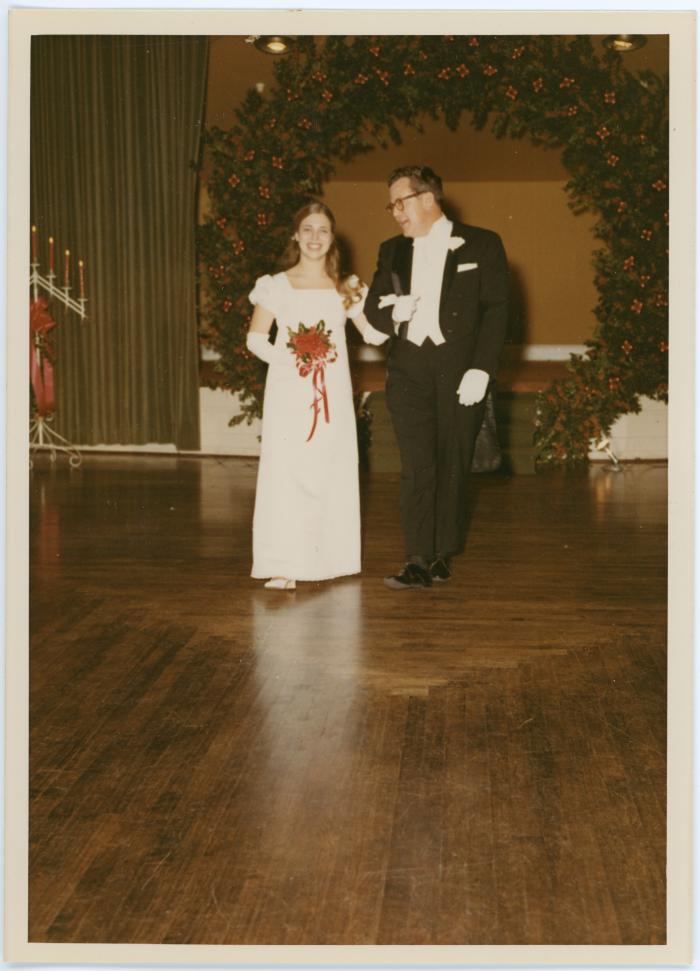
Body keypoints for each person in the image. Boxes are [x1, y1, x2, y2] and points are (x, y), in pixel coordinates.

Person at [363, 165, 509, 590]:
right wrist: (393, 312)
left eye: (400, 202)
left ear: (427, 199)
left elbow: (498, 309)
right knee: (416, 465)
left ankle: (443, 553)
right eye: (391, 205)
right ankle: (416, 558)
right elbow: (373, 309)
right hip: (408, 370)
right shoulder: (391, 250)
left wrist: (482, 369)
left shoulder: (483, 243)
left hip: (461, 371)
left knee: (452, 463)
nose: (395, 213)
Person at [246, 202, 387, 590]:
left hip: (334, 393)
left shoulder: (347, 285)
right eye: (307, 229)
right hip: (290, 390)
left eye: (322, 230)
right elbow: (256, 339)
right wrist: (291, 358)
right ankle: (283, 564)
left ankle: (331, 559)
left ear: (332, 237)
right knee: (288, 471)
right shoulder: (275, 284)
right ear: (296, 235)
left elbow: (373, 333)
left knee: (330, 468)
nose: (314, 237)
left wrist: (404, 310)